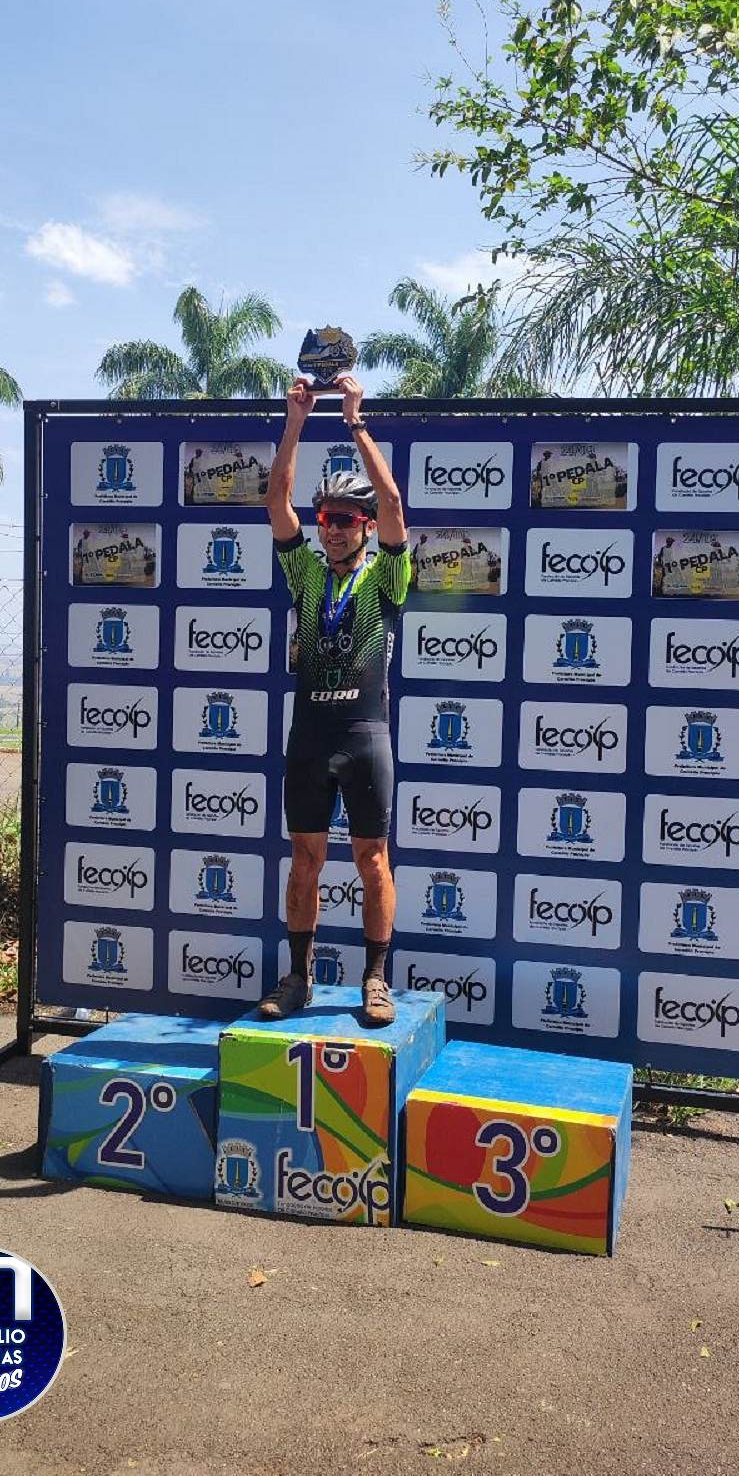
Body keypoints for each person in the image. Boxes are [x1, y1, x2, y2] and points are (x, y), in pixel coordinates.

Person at [258, 372, 409, 1025]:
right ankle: (297, 978)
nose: (333, 531)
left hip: (364, 735)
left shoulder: (388, 576)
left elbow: (396, 500)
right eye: (327, 521)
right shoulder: (307, 571)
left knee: (372, 859)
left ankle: (375, 980)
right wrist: (297, 418)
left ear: (366, 528)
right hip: (311, 736)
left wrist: (354, 420)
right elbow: (275, 502)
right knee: (305, 860)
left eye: (345, 520)